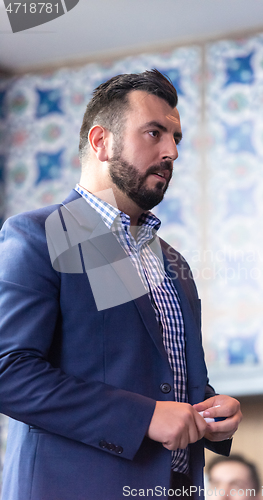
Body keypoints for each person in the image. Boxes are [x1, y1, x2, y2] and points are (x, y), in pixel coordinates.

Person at [0, 69, 242, 500]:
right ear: (101, 142)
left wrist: (210, 409)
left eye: (176, 139)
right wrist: (143, 416)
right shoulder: (42, 234)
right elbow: (8, 371)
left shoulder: (171, 261)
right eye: (154, 133)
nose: (171, 152)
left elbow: (152, 375)